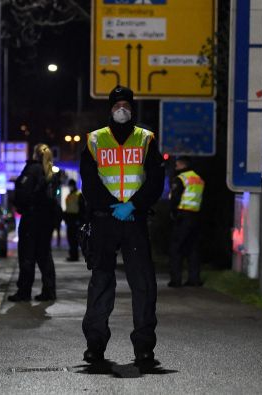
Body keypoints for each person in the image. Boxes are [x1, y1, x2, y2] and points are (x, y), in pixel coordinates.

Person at [80, 85, 165, 366]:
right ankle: (95, 345)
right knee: (101, 283)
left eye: (126, 104)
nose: (122, 109)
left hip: (134, 220)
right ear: (110, 108)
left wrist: (134, 205)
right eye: (117, 105)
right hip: (105, 220)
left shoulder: (146, 139)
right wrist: (112, 207)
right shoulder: (94, 140)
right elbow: (89, 182)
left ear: (133, 107)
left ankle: (144, 348)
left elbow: (155, 180)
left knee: (143, 285)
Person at [9, 143, 60, 302]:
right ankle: (49, 290)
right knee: (44, 255)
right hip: (47, 220)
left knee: (27, 255)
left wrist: (18, 205)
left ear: (34, 155)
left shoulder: (32, 169)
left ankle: (24, 291)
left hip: (31, 219)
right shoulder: (51, 172)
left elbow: (22, 194)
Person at [168, 156, 205, 287]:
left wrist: (172, 213)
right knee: (193, 248)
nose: (175, 166)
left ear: (182, 165)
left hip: (182, 216)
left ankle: (176, 280)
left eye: (177, 164)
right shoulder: (198, 178)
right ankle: (194, 279)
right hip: (196, 216)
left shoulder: (181, 178)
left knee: (176, 248)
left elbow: (175, 199)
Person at [64, 179, 85, 261]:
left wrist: (80, 220)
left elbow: (82, 208)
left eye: (71, 185)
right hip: (69, 220)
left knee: (74, 240)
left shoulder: (78, 195)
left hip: (75, 220)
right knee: (70, 238)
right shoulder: (69, 195)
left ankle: (74, 256)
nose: (70, 187)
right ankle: (72, 255)